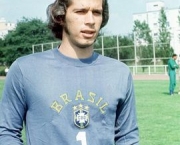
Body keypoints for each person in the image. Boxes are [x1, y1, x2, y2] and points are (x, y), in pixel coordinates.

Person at [0, 0, 139, 144]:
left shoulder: (119, 73)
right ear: (61, 16)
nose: (90, 20)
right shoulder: (25, 70)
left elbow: (127, 137)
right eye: (81, 11)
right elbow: (7, 133)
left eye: (96, 12)